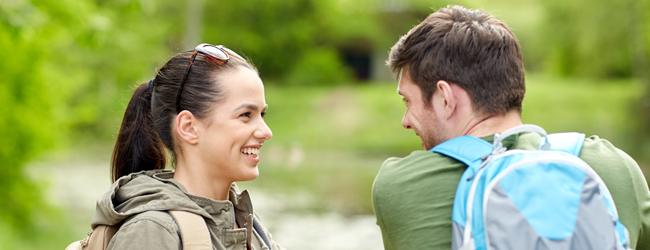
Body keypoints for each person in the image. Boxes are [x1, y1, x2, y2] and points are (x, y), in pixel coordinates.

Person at [371, 5, 650, 250]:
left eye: (408, 101)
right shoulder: (617, 168)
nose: (406, 120)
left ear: (446, 98)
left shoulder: (400, 186)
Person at [91, 43, 283, 250]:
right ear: (189, 127)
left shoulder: (251, 227)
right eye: (246, 115)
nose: (266, 132)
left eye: (261, 115)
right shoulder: (153, 231)